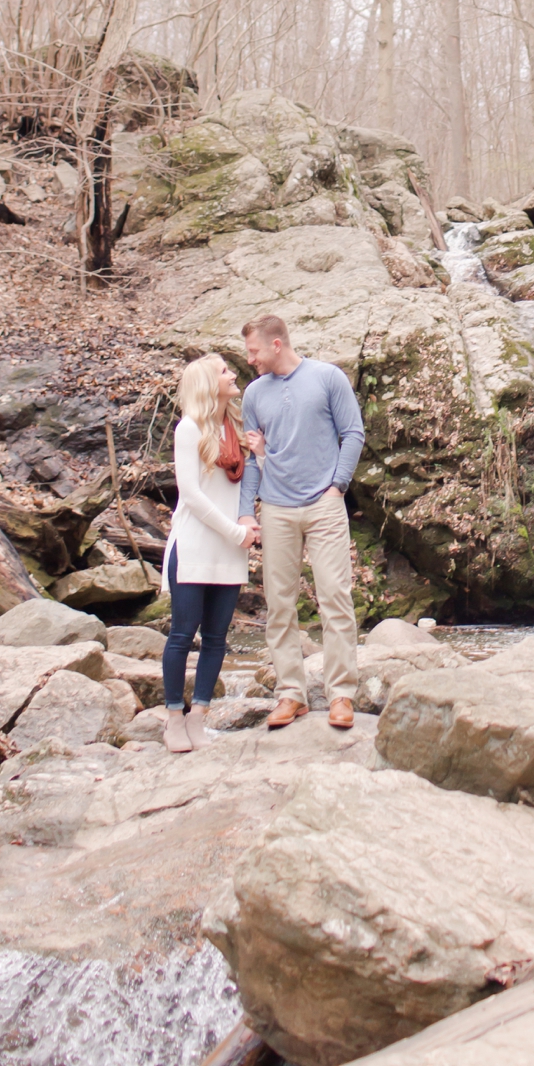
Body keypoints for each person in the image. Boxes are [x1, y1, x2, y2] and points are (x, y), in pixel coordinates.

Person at [239, 313, 365, 730]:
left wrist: (338, 487)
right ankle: (290, 694)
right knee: (279, 605)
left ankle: (341, 694)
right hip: (275, 508)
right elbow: (253, 458)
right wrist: (247, 508)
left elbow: (353, 433)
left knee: (334, 597)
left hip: (324, 505)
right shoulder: (254, 394)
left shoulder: (328, 377)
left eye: (254, 350)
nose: (250, 358)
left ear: (276, 344)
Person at [160, 352, 258, 755]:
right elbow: (193, 496)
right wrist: (237, 531)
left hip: (229, 548)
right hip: (195, 545)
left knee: (217, 639)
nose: (233, 374)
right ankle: (172, 720)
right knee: (183, 635)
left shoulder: (234, 427)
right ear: (206, 383)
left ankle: (199, 716)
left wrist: (262, 457)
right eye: (223, 371)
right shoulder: (190, 429)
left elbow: (247, 482)